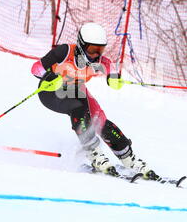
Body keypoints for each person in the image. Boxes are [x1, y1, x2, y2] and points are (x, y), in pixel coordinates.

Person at [31, 22, 157, 179]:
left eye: (100, 49)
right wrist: (49, 77)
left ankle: (128, 158)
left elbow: (108, 65)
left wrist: (113, 77)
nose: (97, 54)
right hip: (51, 93)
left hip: (75, 90)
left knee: (99, 119)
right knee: (79, 107)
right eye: (92, 50)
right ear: (82, 45)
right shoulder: (65, 52)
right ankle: (94, 154)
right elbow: (36, 68)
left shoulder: (98, 62)